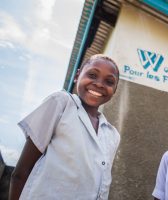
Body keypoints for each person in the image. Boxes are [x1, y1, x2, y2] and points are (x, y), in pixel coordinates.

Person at [9, 54, 120, 200]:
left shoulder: (112, 134)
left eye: (109, 81)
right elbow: (21, 172)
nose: (99, 84)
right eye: (92, 75)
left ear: (114, 90)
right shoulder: (61, 103)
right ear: (77, 76)